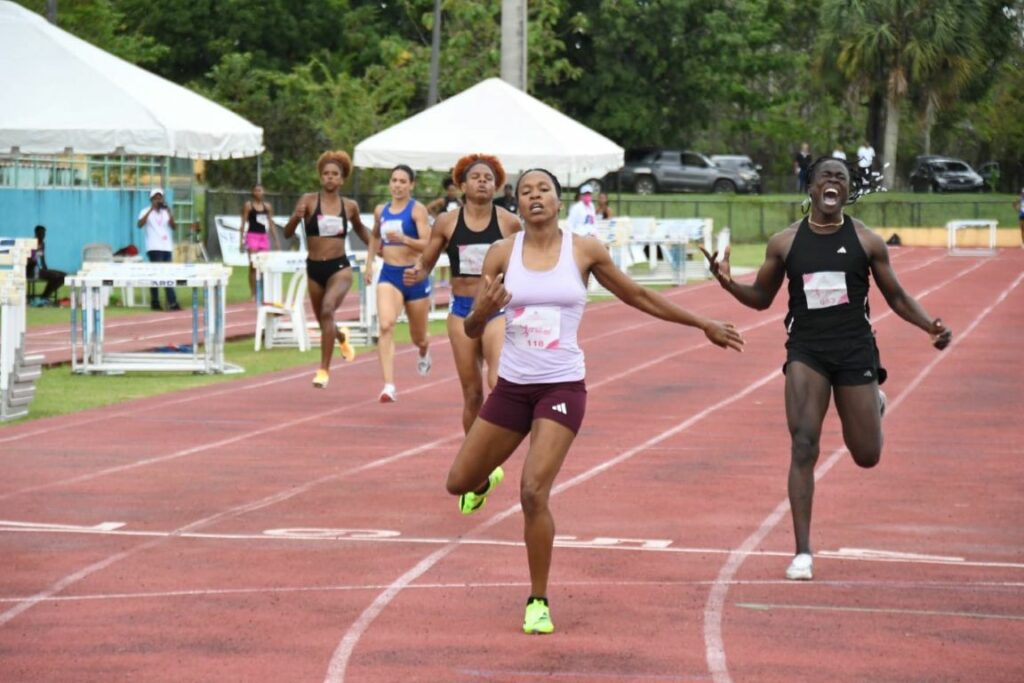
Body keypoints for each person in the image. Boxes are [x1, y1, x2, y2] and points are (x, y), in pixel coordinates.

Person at [446, 169, 744, 635]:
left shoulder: (583, 250)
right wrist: (481, 313)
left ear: (559, 200)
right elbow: (471, 328)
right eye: (526, 192)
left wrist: (702, 322)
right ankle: (484, 481)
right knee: (458, 482)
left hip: (561, 388)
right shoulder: (502, 253)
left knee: (533, 491)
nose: (535, 197)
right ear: (517, 205)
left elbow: (637, 295)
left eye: (544, 190)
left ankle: (538, 600)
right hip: (512, 387)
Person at [700, 156, 952, 582]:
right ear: (812, 188)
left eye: (841, 177)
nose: (833, 181)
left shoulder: (867, 241)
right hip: (806, 351)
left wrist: (931, 325)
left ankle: (874, 402)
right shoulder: (784, 243)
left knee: (867, 455)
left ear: (847, 191)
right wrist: (727, 283)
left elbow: (896, 296)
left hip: (855, 351)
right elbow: (761, 298)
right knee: (803, 445)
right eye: (825, 176)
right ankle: (802, 551)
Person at [403, 153, 521, 431]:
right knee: (472, 394)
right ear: (463, 186)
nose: (482, 182)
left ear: (496, 186)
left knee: (497, 381)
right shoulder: (447, 222)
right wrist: (418, 270)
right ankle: (474, 455)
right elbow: (427, 261)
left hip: (496, 309)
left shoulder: (509, 223)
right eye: (475, 177)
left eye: (488, 178)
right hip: (461, 310)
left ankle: (498, 441)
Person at [283, 150, 371, 388]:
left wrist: (379, 247)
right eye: (326, 173)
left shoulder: (349, 206)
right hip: (314, 268)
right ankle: (340, 336)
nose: (330, 177)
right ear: (321, 177)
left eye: (335, 174)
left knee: (328, 308)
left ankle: (323, 370)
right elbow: (288, 233)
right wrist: (296, 217)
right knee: (325, 321)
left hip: (339, 267)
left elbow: (362, 231)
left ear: (342, 179)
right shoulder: (308, 201)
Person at [364, 164, 433, 402]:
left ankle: (424, 350)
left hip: (414, 275)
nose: (397, 185)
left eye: (403, 181)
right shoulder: (381, 210)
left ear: (411, 185)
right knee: (385, 325)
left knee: (418, 337)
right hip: (389, 274)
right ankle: (388, 386)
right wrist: (369, 263)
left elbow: (428, 244)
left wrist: (405, 239)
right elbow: (374, 236)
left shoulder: (417, 210)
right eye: (394, 180)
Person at [137, 188, 181, 311]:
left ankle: (171, 302)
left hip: (166, 247)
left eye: (160, 198)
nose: (159, 200)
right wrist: (151, 209)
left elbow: (174, 227)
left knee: (168, 275)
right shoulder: (145, 211)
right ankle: (156, 301)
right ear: (151, 200)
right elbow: (140, 224)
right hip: (154, 247)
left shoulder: (166, 212)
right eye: (156, 198)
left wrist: (170, 212)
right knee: (156, 274)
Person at [240, 183, 279, 300]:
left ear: (264, 192)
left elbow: (271, 223)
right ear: (253, 192)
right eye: (256, 190)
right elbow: (243, 223)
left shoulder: (267, 207)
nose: (258, 192)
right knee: (253, 265)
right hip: (252, 236)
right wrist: (241, 241)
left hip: (263, 237)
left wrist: (276, 240)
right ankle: (253, 293)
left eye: (260, 190)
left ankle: (263, 291)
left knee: (263, 266)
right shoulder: (249, 206)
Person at [26, 225, 66, 304]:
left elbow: (42, 259)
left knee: (64, 275)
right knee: (55, 276)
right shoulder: (31, 243)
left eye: (44, 234)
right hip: (30, 271)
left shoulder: (42, 244)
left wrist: (46, 270)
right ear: (36, 233)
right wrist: (35, 254)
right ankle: (44, 297)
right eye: (41, 233)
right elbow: (30, 260)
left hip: (38, 270)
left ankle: (45, 296)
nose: (43, 235)